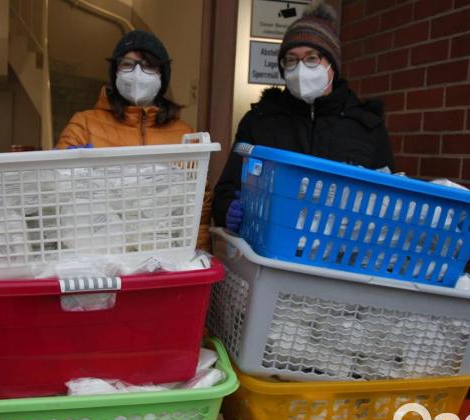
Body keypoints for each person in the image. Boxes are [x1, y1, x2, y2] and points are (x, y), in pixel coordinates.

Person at [213, 0, 394, 232]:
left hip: (342, 254)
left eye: (311, 58)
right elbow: (227, 189)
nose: (300, 68)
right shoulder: (259, 121)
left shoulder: (367, 126)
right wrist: (229, 210)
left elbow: (389, 201)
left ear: (332, 65)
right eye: (291, 59)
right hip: (270, 248)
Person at [58, 30, 212, 251]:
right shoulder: (84, 125)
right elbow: (58, 195)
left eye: (148, 66)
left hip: (165, 257)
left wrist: (197, 257)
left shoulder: (184, 135)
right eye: (127, 64)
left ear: (162, 74)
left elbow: (200, 209)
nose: (137, 73)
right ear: (115, 71)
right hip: (101, 259)